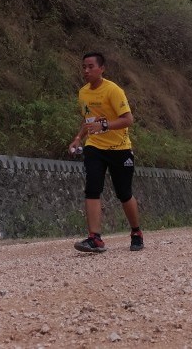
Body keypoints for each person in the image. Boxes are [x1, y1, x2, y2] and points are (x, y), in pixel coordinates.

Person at [68, 52, 143, 253]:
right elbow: (88, 120)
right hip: (95, 147)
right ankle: (95, 238)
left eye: (91, 67)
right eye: (84, 67)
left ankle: (136, 232)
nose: (86, 71)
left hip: (120, 149)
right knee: (92, 187)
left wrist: (105, 126)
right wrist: (78, 138)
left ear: (102, 68)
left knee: (124, 193)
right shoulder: (83, 93)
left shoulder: (113, 91)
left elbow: (128, 120)